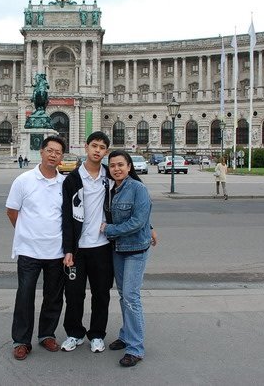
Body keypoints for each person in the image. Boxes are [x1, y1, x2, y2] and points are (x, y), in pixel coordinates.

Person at [5, 135, 67, 361]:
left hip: (56, 251)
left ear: (61, 157)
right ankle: (21, 341)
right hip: (29, 250)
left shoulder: (65, 184)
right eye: (50, 150)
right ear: (41, 152)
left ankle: (47, 334)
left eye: (58, 152)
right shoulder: (23, 180)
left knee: (53, 296)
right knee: (25, 295)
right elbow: (12, 211)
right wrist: (27, 232)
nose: (53, 155)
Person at [100, 150, 156, 367]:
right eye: (113, 165)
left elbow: (138, 220)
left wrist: (109, 230)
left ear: (129, 166)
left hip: (135, 249)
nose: (116, 169)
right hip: (118, 249)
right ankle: (126, 335)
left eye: (120, 165)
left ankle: (135, 348)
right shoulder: (110, 189)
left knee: (131, 297)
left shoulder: (138, 188)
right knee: (124, 295)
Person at [60, 131, 112, 353]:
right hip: (78, 249)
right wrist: (68, 249)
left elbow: (135, 194)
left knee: (101, 294)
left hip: (103, 247)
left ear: (106, 151)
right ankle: (74, 333)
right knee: (74, 295)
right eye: (94, 145)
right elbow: (66, 217)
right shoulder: (72, 179)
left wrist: (149, 226)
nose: (97, 150)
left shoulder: (110, 176)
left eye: (102, 147)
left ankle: (97, 334)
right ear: (86, 147)